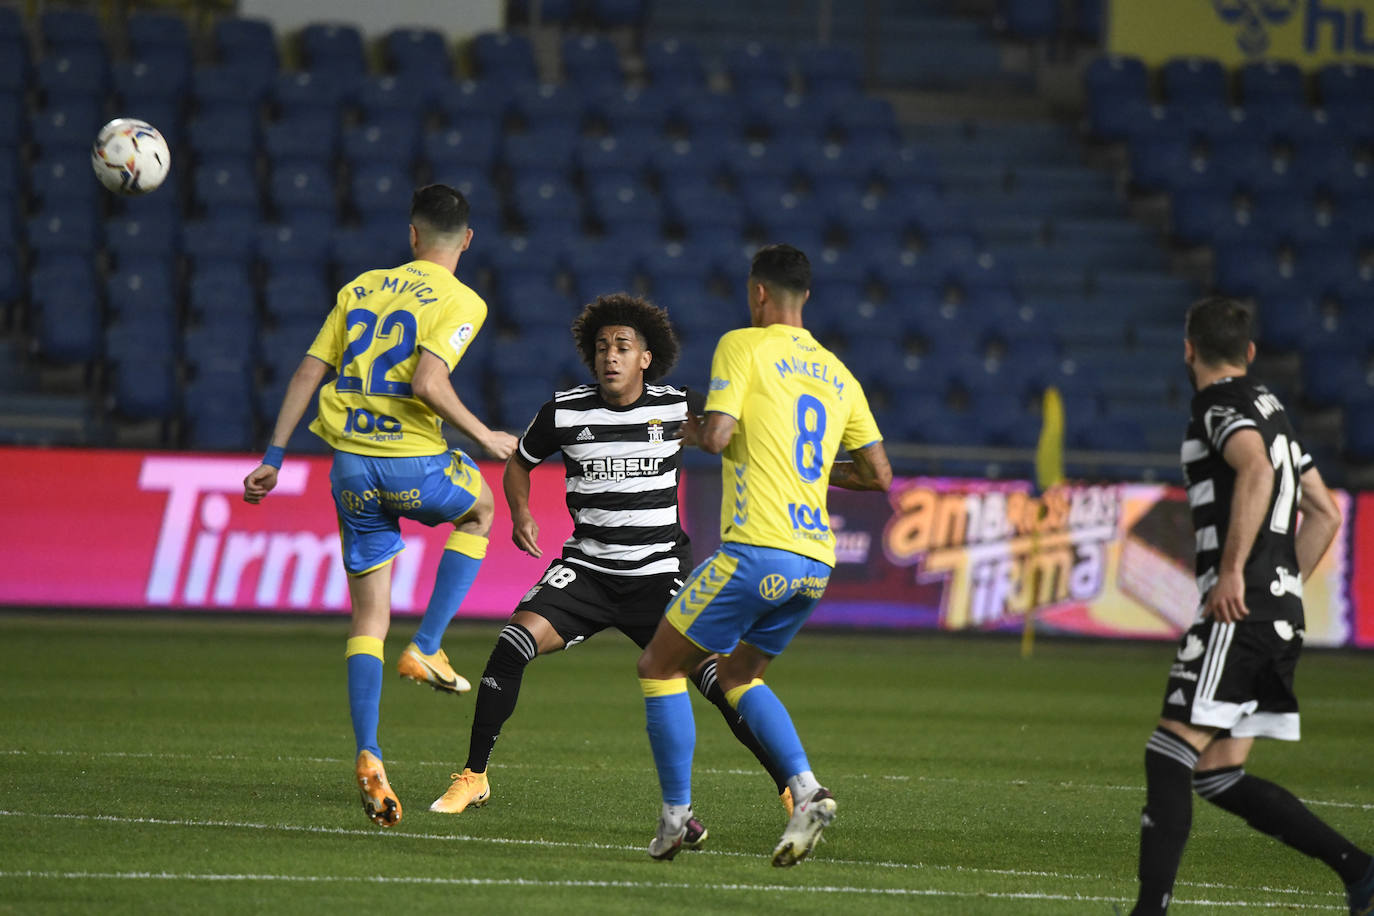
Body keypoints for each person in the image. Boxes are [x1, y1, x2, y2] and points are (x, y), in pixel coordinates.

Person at [427, 293, 795, 842]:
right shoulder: (564, 410)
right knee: (510, 646)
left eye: (623, 346)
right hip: (589, 571)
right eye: (602, 347)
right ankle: (474, 776)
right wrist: (522, 513)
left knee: (717, 679)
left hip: (660, 573)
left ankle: (790, 788)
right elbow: (520, 464)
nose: (610, 356)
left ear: (646, 357)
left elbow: (731, 439)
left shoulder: (675, 407)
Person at [242, 184, 518, 829]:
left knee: (367, 620)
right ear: (467, 240)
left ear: (413, 235)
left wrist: (273, 458)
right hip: (410, 459)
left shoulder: (363, 287)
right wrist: (484, 436)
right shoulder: (461, 299)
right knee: (479, 508)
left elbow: (308, 373)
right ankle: (428, 645)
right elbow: (427, 380)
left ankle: (369, 754)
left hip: (349, 468)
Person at [635, 244, 892, 865]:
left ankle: (675, 819)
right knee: (737, 675)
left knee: (658, 666)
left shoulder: (742, 345)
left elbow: (719, 433)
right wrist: (808, 473)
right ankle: (806, 792)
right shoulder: (839, 372)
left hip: (757, 549)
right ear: (805, 297)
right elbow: (879, 474)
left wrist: (680, 429)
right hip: (815, 561)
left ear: (758, 294)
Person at [1129, 297, 1374, 915]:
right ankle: (1361, 872)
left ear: (1189, 349)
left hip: (1242, 612)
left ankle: (1148, 912)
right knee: (1217, 772)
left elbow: (1256, 471)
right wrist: (1284, 583)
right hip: (1276, 611)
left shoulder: (1217, 405)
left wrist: (1239, 572)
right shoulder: (1273, 409)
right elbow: (1326, 511)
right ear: (1251, 352)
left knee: (1169, 751)